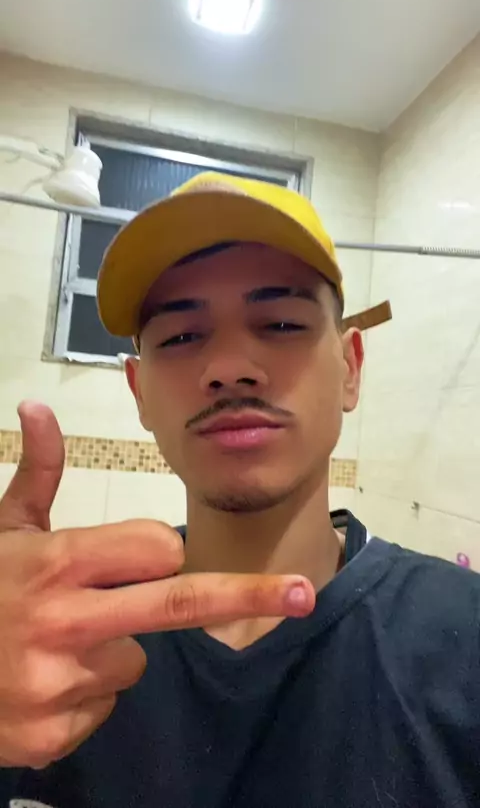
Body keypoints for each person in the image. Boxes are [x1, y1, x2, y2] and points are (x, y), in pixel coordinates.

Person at [0, 172, 479, 808]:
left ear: (350, 368)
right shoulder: (44, 640)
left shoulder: (465, 636)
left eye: (280, 323)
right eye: (180, 337)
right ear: (140, 393)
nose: (229, 369)